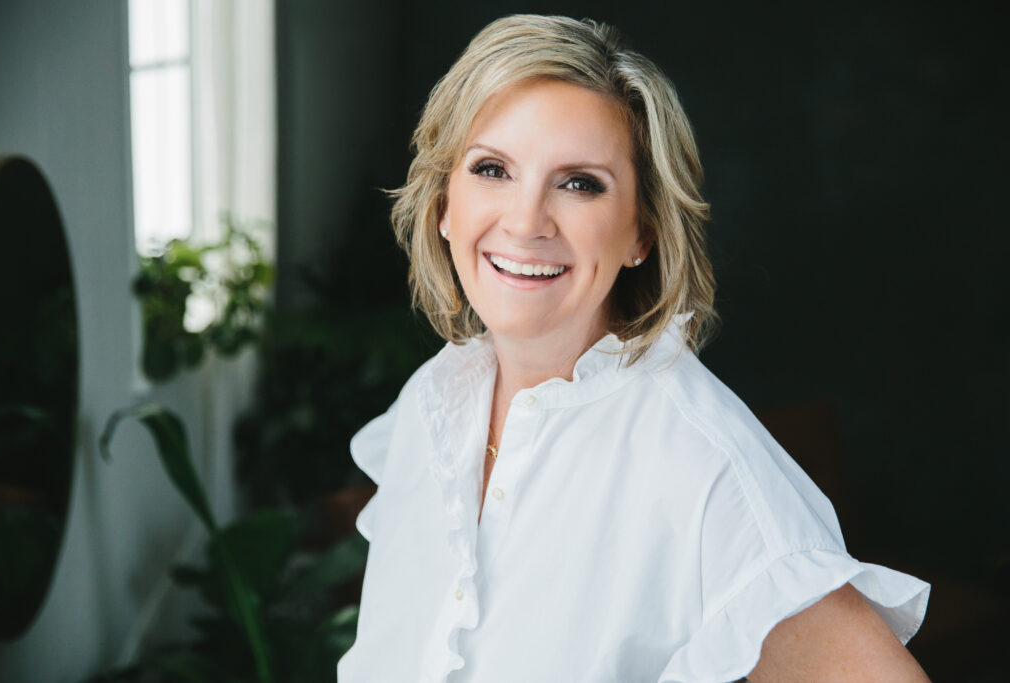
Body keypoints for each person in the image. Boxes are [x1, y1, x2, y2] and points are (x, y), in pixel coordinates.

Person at [338, 14, 930, 682]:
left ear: (641, 232)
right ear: (446, 202)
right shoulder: (432, 405)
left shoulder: (700, 461)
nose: (526, 221)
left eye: (579, 182)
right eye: (493, 169)